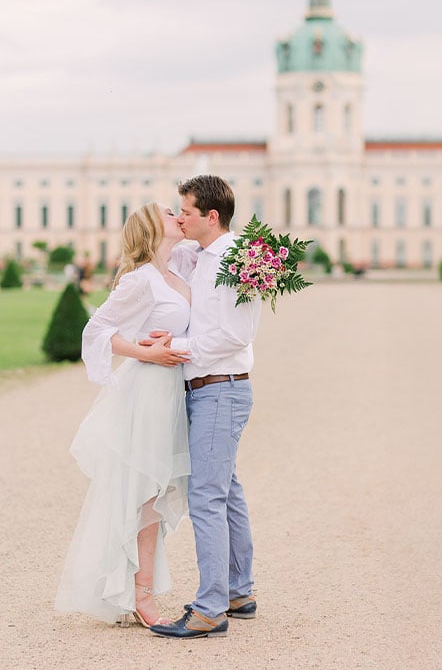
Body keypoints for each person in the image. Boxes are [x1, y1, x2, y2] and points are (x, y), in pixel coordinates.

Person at [55, 203, 195, 628]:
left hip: (174, 389)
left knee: (155, 491)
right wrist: (145, 350)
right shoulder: (140, 280)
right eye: (169, 212)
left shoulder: (179, 271)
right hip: (150, 391)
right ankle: (139, 594)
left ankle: (139, 587)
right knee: (145, 493)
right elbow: (96, 330)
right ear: (152, 229)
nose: (178, 214)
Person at [147, 175, 262, 639]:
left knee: (207, 497)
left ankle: (211, 607)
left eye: (187, 211)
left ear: (211, 216)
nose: (181, 217)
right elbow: (153, 251)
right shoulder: (198, 255)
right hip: (211, 387)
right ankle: (237, 591)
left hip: (221, 387)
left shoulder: (235, 261)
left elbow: (235, 335)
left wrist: (176, 345)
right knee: (226, 490)